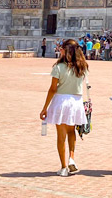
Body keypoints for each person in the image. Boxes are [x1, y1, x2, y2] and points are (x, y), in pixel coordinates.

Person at [39, 39, 89, 177]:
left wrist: (45, 108)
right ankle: (72, 157)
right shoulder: (82, 66)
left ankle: (63, 167)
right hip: (76, 101)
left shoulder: (59, 67)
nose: (59, 50)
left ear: (66, 51)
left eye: (61, 49)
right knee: (71, 132)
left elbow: (52, 89)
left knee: (61, 136)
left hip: (61, 100)